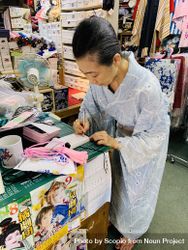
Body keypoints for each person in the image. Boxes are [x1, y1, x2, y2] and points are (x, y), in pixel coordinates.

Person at [72, 16, 170, 250]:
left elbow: (153, 138)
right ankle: (113, 217)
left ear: (116, 59)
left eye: (93, 74)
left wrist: (118, 143)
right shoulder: (99, 79)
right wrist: (83, 120)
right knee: (115, 181)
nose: (90, 80)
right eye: (85, 74)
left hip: (143, 142)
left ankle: (133, 230)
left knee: (136, 189)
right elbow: (91, 104)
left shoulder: (147, 87)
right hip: (116, 135)